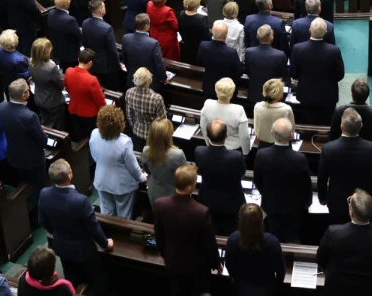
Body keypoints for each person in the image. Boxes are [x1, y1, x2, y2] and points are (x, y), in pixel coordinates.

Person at [38, 159, 113, 292]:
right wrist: (106, 244)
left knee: (71, 279)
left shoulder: (44, 194)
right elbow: (93, 228)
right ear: (70, 175)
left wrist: (57, 232)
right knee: (97, 280)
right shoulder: (81, 201)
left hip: (62, 247)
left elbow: (42, 221)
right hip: (85, 251)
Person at [153, 163, 220, 296]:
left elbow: (158, 234)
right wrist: (215, 263)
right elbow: (209, 243)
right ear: (190, 188)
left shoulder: (160, 204)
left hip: (172, 261)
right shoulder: (201, 211)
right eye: (195, 181)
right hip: (196, 267)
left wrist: (164, 253)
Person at [315, 190, 372, 295]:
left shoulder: (333, 233)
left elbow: (320, 259)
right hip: (370, 290)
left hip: (337, 289)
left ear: (350, 212)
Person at [318, 109, 372, 224]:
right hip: (364, 203)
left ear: (341, 127)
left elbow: (322, 177)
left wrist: (322, 197)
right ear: (361, 126)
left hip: (337, 201)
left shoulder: (329, 149)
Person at [253, 118, 311, 243]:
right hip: (294, 207)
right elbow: (306, 185)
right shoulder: (299, 158)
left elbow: (257, 181)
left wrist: (267, 193)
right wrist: (307, 203)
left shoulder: (262, 155)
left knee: (271, 238)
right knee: (293, 237)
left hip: (271, 205)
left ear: (272, 133)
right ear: (291, 135)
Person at [0, 79, 47, 208]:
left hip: (14, 155)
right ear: (24, 95)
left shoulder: (2, 107)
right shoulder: (30, 116)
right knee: (37, 187)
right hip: (33, 159)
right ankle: (38, 214)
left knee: (23, 183)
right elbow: (43, 140)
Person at [89, 105, 144, 218]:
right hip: (122, 186)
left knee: (106, 214)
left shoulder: (94, 133)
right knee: (123, 217)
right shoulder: (125, 142)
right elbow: (132, 166)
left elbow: (94, 156)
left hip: (102, 181)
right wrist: (142, 178)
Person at [290, 18, 345, 125]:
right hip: (328, 95)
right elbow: (340, 75)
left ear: (309, 30)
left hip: (306, 95)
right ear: (326, 32)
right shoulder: (334, 51)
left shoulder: (298, 48)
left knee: (307, 123)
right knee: (327, 124)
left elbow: (294, 73)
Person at [225, 204, 286, 296]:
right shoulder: (272, 242)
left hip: (240, 289)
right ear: (261, 222)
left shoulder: (232, 240)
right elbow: (281, 272)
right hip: (267, 290)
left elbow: (229, 266)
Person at [327, 77, 372, 154]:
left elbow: (332, 139)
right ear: (367, 96)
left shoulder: (339, 112)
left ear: (351, 94)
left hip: (342, 153)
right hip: (368, 155)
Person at [201, 77, 251, 154]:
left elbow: (204, 128)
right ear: (231, 94)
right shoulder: (238, 109)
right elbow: (244, 136)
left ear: (216, 91)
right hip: (234, 149)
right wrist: (245, 152)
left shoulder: (207, 104)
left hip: (213, 146)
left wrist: (208, 144)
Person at [66, 48, 107, 140]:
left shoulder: (68, 71)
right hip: (89, 115)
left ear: (78, 59)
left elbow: (68, 89)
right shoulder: (92, 80)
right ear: (90, 63)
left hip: (73, 110)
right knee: (91, 137)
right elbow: (100, 101)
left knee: (79, 137)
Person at [125, 67, 167, 148]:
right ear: (148, 81)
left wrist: (135, 127)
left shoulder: (129, 93)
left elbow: (129, 115)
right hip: (153, 137)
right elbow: (163, 122)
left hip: (136, 133)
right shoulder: (156, 98)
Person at [29, 38, 66, 130]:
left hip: (39, 98)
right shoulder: (51, 67)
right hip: (53, 101)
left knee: (45, 124)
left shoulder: (30, 62)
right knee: (58, 128)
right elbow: (61, 85)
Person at [253, 77, 294, 145]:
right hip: (282, 145)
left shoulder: (257, 106)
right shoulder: (286, 109)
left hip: (262, 144)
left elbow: (256, 130)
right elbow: (291, 133)